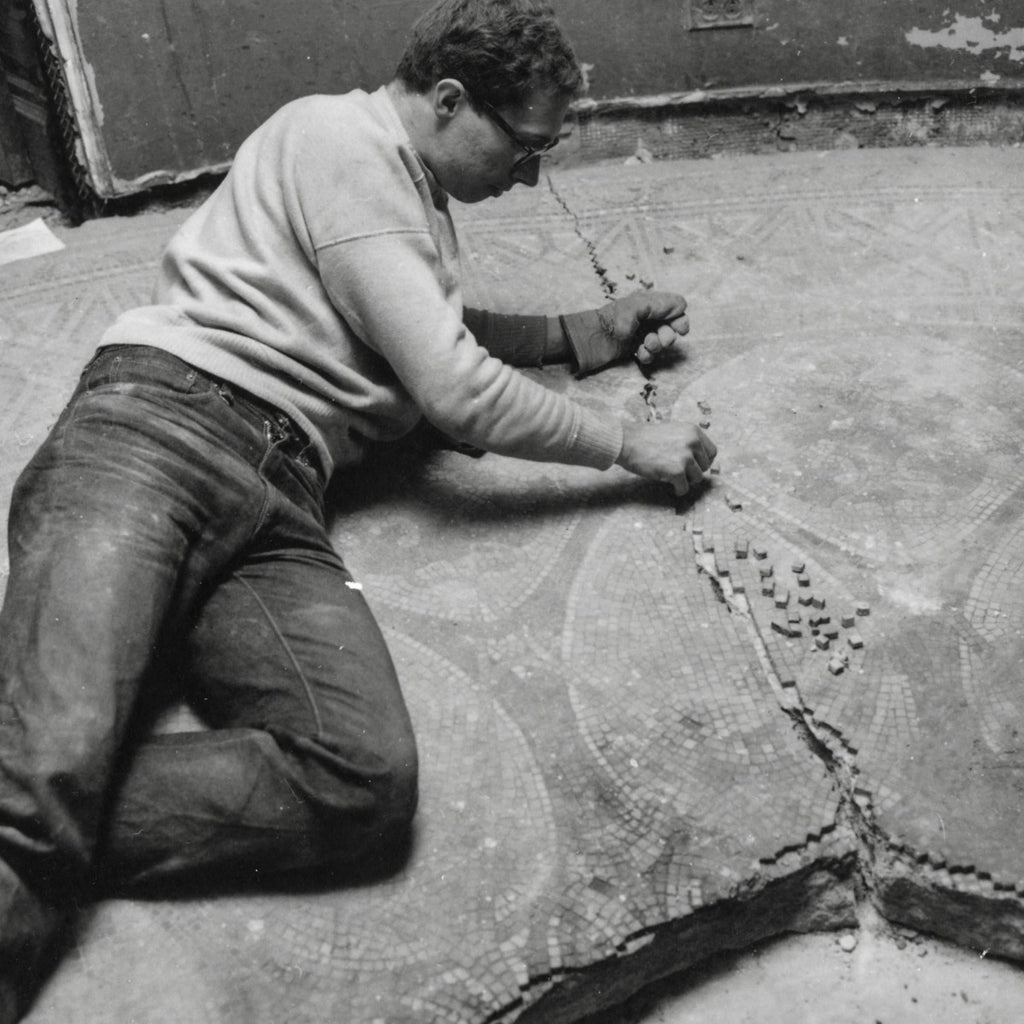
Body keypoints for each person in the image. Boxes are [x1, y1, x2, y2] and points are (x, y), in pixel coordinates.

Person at [0, 0, 716, 1018]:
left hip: (284, 489)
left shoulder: (403, 200)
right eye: (524, 148)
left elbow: (422, 327)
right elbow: (453, 387)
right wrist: (625, 443)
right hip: (155, 428)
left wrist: (578, 333)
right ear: (450, 99)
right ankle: (33, 807)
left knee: (358, 780)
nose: (530, 177)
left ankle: (38, 808)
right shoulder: (338, 137)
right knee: (48, 763)